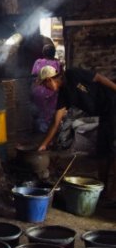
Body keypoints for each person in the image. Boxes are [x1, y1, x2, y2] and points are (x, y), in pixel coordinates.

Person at [36, 65, 116, 205]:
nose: (45, 88)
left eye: (44, 84)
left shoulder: (73, 74)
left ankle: (112, 196)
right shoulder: (63, 95)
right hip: (105, 115)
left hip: (113, 105)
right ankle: (102, 190)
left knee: (113, 152)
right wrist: (44, 145)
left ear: (49, 79)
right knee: (102, 152)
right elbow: (56, 122)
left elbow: (99, 77)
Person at [30, 44, 62, 133]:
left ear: (43, 53)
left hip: (37, 91)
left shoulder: (38, 62)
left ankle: (39, 130)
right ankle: (47, 131)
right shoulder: (57, 63)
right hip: (50, 92)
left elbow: (33, 76)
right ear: (54, 53)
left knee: (38, 111)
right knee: (49, 112)